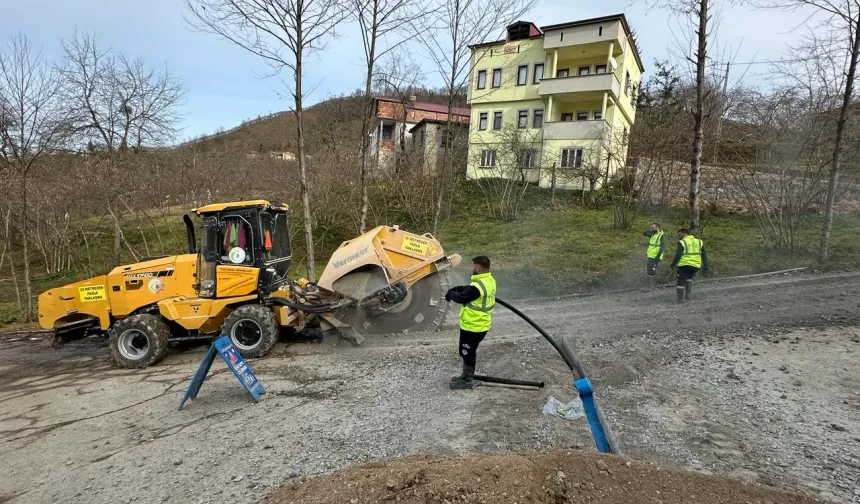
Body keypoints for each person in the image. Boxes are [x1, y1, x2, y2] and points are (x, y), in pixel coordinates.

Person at [444, 256, 496, 390]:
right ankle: (466, 375)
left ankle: (467, 379)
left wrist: (450, 294)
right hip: (480, 325)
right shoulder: (488, 280)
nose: (473, 268)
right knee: (468, 351)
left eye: (474, 266)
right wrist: (457, 288)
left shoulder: (477, 287)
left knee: (467, 351)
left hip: (473, 326)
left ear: (479, 267)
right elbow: (468, 289)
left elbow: (462, 298)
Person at [669, 229, 709, 303]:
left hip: (684, 264)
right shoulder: (699, 241)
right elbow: (704, 254)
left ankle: (680, 299)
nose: (679, 236)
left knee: (680, 281)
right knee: (689, 278)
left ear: (684, 233)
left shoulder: (682, 242)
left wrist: (673, 264)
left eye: (679, 234)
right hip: (696, 265)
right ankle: (688, 295)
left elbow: (678, 255)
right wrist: (705, 265)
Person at [643, 223, 666, 288]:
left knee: (651, 270)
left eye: (653, 228)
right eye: (651, 228)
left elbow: (663, 247)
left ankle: (650, 285)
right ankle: (650, 284)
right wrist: (649, 230)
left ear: (657, 228)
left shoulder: (662, 235)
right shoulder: (653, 234)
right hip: (651, 255)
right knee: (649, 269)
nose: (651, 229)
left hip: (656, 256)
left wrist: (658, 256)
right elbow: (644, 233)